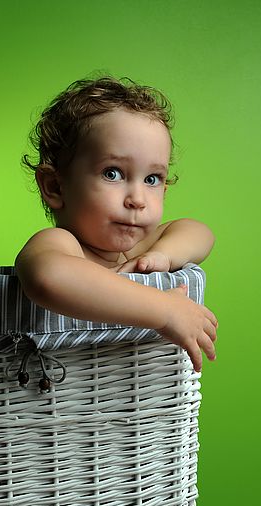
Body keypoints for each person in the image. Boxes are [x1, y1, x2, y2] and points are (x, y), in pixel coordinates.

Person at [15, 76, 217, 372]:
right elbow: (48, 278)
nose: (137, 199)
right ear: (55, 187)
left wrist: (163, 255)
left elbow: (199, 232)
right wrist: (163, 310)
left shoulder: (139, 252)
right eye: (113, 173)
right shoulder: (59, 244)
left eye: (152, 179)